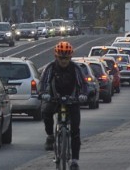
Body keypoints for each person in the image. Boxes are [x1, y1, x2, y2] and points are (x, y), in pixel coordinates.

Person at [39, 41, 88, 170]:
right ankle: (50, 136)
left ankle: (74, 160)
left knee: (75, 130)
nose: (64, 61)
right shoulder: (50, 68)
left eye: (66, 58)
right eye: (61, 58)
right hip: (54, 98)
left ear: (70, 57)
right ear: (56, 57)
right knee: (46, 111)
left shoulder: (75, 69)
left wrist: (83, 94)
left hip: (73, 100)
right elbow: (43, 82)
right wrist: (43, 93)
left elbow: (83, 84)